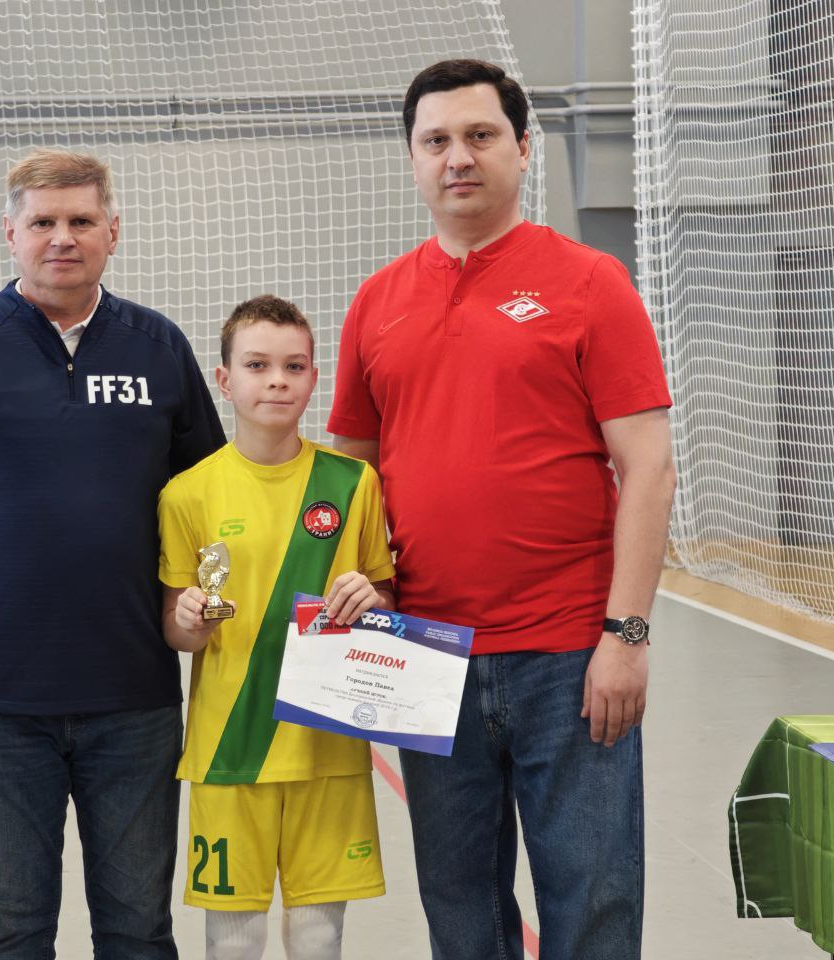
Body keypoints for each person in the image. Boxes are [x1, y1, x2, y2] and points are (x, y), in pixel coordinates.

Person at [328, 60, 676, 959]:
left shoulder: (591, 281)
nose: (458, 157)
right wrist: (360, 593)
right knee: (461, 915)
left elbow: (648, 466)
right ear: (412, 158)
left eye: (480, 136)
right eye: (436, 140)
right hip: (425, 651)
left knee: (592, 905)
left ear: (523, 149)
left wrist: (626, 636)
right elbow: (349, 477)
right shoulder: (376, 302)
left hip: (568, 653)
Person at [0, 148, 225, 960]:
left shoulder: (157, 346)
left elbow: (215, 504)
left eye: (80, 220)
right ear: (11, 233)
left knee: (139, 931)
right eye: (43, 222)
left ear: (113, 231)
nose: (62, 237)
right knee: (12, 932)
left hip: (134, 700)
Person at [157, 296, 395, 960]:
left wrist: (371, 599)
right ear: (224, 379)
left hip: (328, 743)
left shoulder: (354, 482)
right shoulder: (187, 493)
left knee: (318, 936)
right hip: (229, 746)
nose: (277, 381)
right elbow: (177, 629)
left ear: (314, 378)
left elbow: (384, 600)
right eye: (257, 365)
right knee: (233, 939)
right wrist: (187, 621)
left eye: (294, 366)